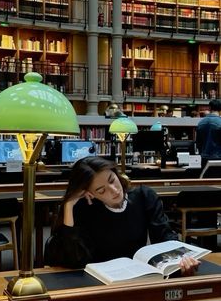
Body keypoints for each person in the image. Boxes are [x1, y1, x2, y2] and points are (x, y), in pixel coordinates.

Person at [44, 156, 200, 276]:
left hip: (139, 278)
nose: (114, 190)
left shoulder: (143, 197)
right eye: (101, 190)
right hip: (99, 283)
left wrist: (181, 259)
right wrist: (69, 205)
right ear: (89, 193)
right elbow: (73, 260)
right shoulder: (85, 209)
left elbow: (164, 237)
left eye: (113, 180)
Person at [196, 99, 221, 169]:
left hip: (204, 158)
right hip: (219, 158)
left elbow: (198, 143)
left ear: (210, 108)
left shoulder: (201, 123)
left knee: (206, 179)